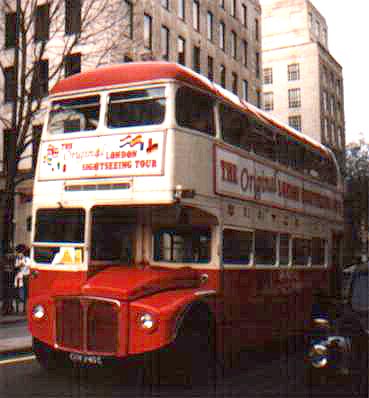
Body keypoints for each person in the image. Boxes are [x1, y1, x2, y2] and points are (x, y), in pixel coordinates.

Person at [14, 244, 31, 310]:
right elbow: (16, 266)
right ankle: (17, 309)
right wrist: (18, 265)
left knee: (25, 294)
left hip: (26, 277)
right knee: (18, 293)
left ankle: (25, 308)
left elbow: (29, 265)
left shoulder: (27, 259)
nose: (19, 254)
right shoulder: (17, 259)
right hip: (19, 277)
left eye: (20, 253)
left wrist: (24, 264)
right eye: (18, 253)